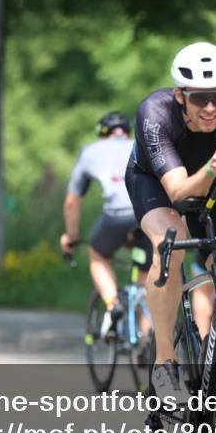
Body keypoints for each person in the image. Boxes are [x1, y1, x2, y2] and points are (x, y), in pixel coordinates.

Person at [125, 41, 216, 404]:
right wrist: (211, 168)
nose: (211, 108)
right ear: (180, 95)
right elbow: (179, 193)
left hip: (213, 182)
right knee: (170, 241)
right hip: (157, 183)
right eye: (200, 99)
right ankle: (165, 360)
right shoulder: (154, 114)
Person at [60, 111, 153, 340]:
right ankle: (148, 335)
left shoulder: (90, 151)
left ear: (102, 134)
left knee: (99, 254)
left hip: (116, 217)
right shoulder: (142, 145)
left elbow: (72, 202)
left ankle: (113, 306)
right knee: (147, 274)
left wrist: (71, 236)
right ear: (127, 132)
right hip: (149, 215)